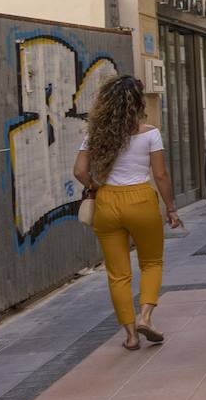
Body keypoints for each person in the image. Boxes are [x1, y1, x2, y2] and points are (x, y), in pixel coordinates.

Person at [73, 75, 181, 351]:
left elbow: (79, 171)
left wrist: (94, 186)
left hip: (107, 202)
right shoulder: (150, 133)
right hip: (141, 201)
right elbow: (161, 175)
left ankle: (131, 335)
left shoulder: (94, 136)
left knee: (118, 274)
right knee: (151, 263)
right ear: (137, 103)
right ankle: (145, 316)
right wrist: (170, 208)